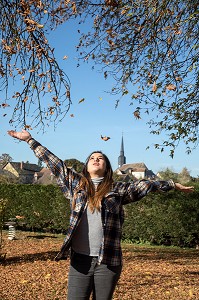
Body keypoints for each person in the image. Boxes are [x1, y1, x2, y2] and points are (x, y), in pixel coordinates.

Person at [7, 129, 194, 300]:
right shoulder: (76, 186)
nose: (96, 159)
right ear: (86, 167)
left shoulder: (118, 190)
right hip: (79, 260)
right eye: (92, 158)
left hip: (108, 261)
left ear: (107, 167)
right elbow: (54, 163)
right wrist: (29, 140)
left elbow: (145, 185)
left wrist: (172, 184)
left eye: (101, 158)